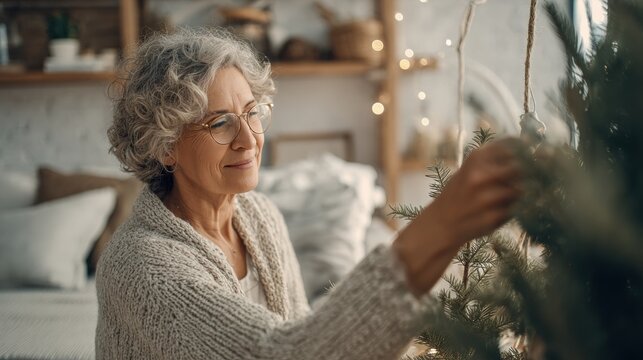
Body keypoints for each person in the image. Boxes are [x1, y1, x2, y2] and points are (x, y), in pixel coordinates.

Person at [97, 28, 524, 360]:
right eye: (220, 123)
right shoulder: (142, 266)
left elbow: (305, 332)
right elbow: (285, 354)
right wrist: (442, 223)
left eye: (252, 114)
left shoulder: (260, 216)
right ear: (165, 144)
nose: (249, 139)